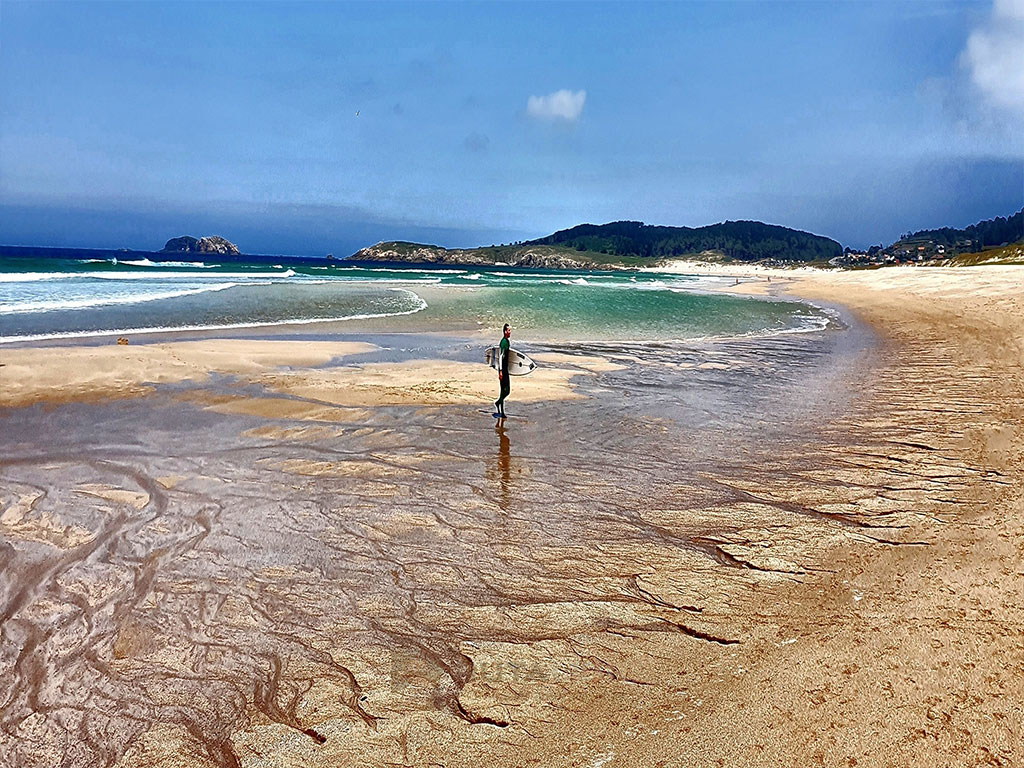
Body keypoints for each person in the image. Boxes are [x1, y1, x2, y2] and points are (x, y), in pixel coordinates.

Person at [494, 323, 511, 417]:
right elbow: (500, 356)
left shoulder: (507, 342)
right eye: (508, 330)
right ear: (505, 331)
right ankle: (502, 411)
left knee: (507, 390)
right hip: (502, 369)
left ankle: (498, 403)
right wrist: (500, 371)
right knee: (503, 390)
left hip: (506, 368)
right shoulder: (503, 342)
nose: (510, 332)